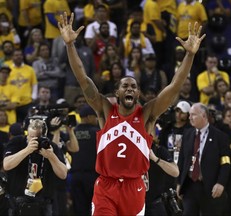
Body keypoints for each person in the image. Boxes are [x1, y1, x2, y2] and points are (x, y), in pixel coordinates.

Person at [58, 12, 205, 215]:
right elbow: (83, 78)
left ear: (138, 93)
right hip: (106, 187)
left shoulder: (147, 115)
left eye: (133, 86)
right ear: (117, 92)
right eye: (125, 86)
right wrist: (70, 45)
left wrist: (189, 55)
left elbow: (174, 86)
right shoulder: (105, 110)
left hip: (134, 187)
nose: (129, 88)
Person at [3, 119, 67, 215]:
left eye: (37, 137)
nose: (32, 140)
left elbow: (63, 174)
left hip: (44, 202)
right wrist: (27, 150)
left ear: (44, 136)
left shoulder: (50, 147)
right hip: (18, 200)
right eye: (30, 136)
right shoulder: (17, 142)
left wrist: (51, 156)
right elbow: (7, 165)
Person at [176, 102, 231, 215]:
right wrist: (178, 183)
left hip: (210, 186)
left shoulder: (220, 137)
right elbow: (181, 160)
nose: (190, 117)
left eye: (193, 114)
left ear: (204, 116)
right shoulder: (187, 134)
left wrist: (221, 183)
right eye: (190, 114)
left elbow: (226, 163)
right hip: (189, 185)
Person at [70, 104, 100, 216]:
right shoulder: (97, 133)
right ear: (88, 117)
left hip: (75, 176)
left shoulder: (72, 133)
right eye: (95, 116)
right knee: (94, 208)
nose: (97, 119)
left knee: (79, 209)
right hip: (93, 176)